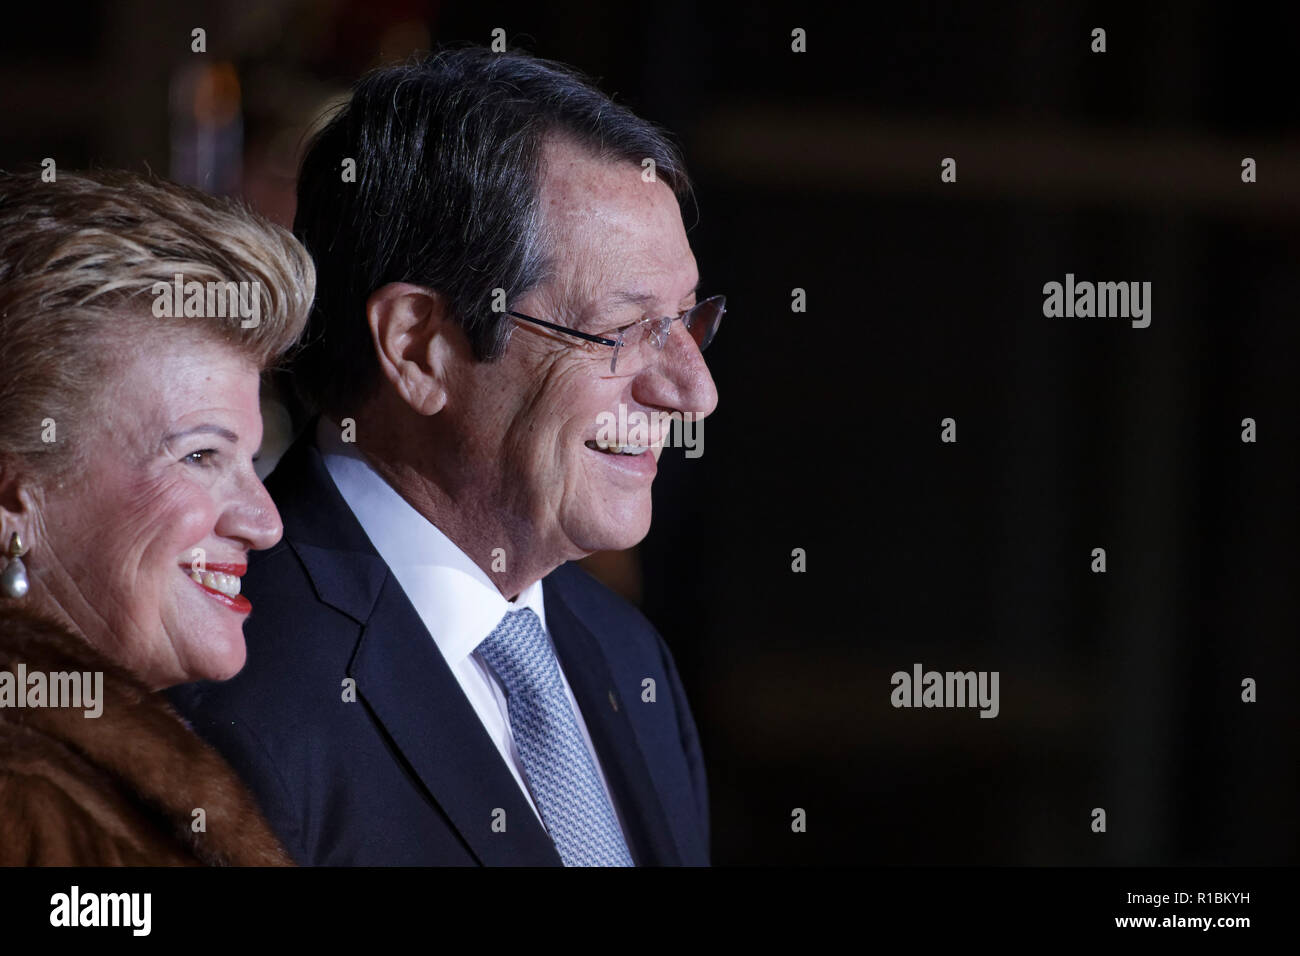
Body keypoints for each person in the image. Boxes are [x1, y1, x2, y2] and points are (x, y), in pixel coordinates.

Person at [169, 47, 721, 867]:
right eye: (624, 331)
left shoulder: (627, 658)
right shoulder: (228, 699)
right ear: (419, 347)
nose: (693, 390)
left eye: (687, 321)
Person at [0, 169, 314, 865]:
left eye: (251, 462)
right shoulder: (21, 805)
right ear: (13, 495)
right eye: (201, 456)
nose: (264, 522)